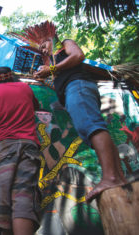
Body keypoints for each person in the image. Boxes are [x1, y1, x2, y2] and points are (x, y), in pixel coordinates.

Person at [15, 21, 126, 202]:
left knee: (91, 126)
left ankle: (110, 177)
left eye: (44, 44)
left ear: (53, 39)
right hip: (76, 89)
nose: (43, 50)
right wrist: (47, 76)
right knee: (92, 127)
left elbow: (78, 55)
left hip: (79, 87)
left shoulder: (65, 44)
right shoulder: (57, 65)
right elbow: (60, 80)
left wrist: (51, 69)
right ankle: (118, 177)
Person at [0, 67, 41, 235]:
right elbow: (36, 106)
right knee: (24, 195)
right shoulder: (25, 88)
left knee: (1, 197)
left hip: (4, 145)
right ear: (11, 76)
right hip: (29, 146)